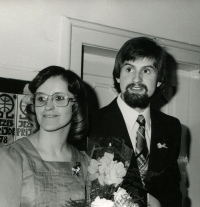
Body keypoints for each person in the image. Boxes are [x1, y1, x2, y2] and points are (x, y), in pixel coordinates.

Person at [90, 37, 182, 207]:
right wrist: (145, 199)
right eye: (129, 69)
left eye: (146, 71)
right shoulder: (92, 122)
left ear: (160, 80)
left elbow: (172, 189)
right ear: (118, 76)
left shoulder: (171, 127)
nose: (137, 79)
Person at [0, 66, 90, 207]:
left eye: (59, 98)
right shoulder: (12, 157)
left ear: (75, 106)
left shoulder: (83, 163)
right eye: (41, 98)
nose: (47, 106)